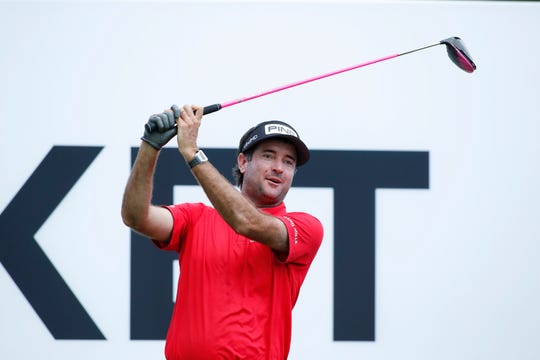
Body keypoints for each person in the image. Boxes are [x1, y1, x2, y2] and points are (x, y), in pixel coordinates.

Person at [121, 104, 324, 359]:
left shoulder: (306, 228)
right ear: (242, 162)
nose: (279, 168)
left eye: (289, 161)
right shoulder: (195, 218)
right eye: (268, 156)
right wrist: (150, 147)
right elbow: (136, 216)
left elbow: (246, 222)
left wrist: (193, 154)